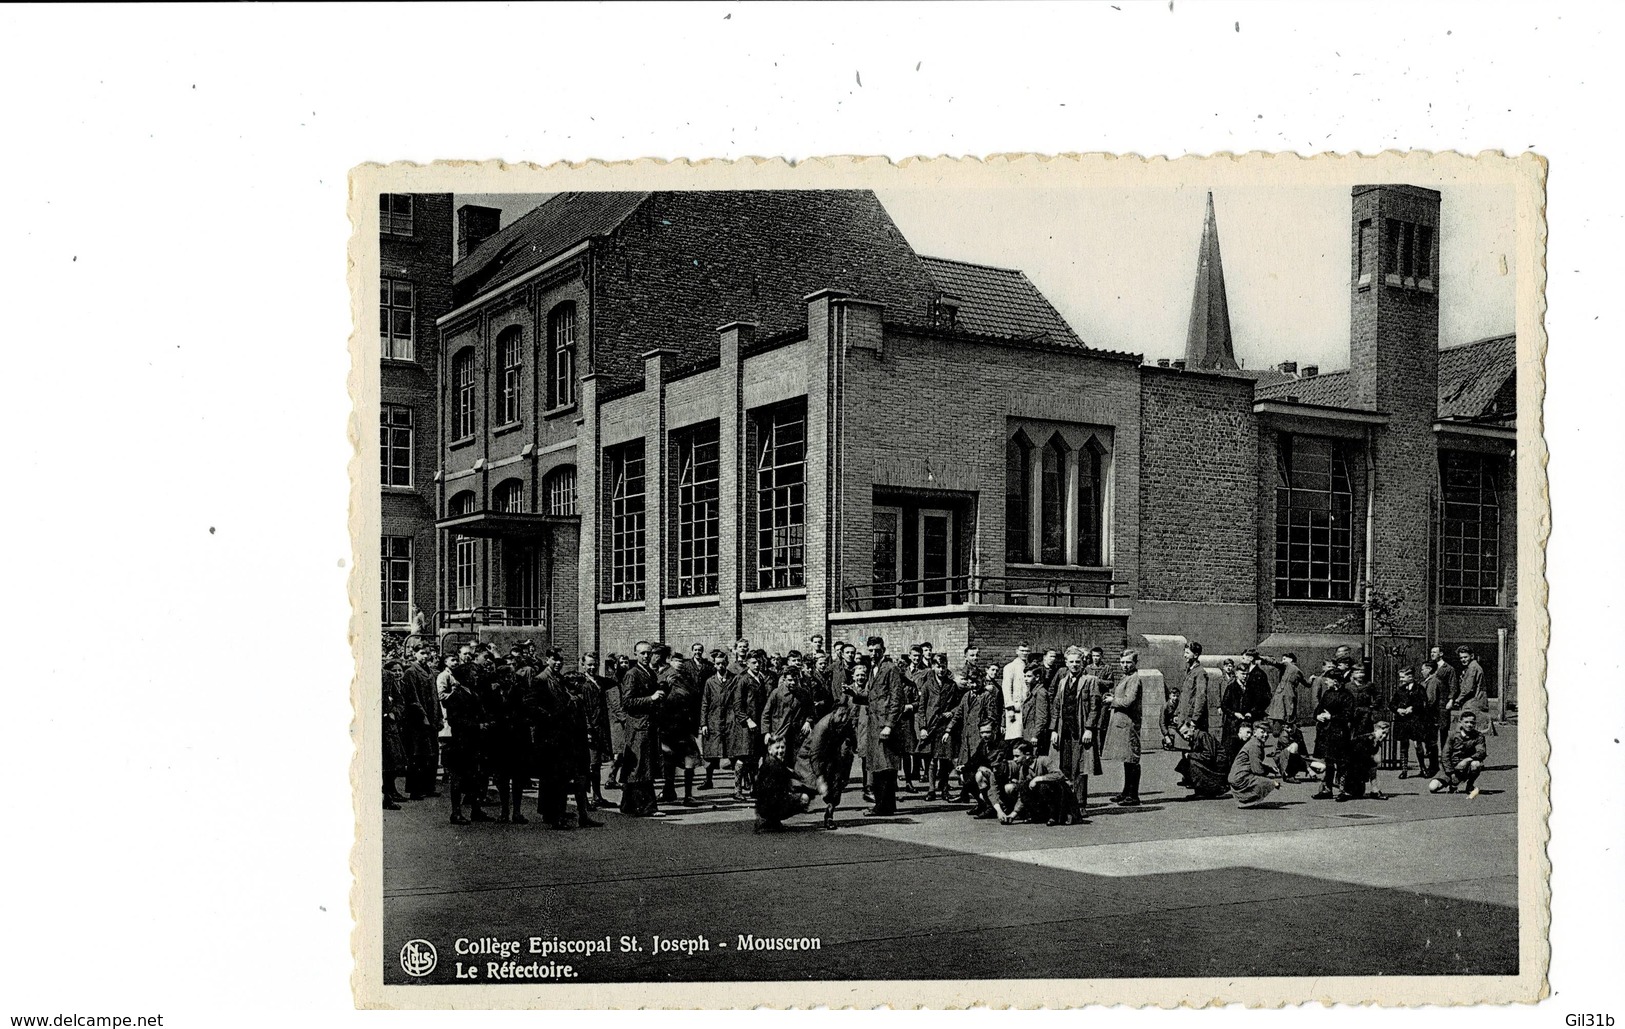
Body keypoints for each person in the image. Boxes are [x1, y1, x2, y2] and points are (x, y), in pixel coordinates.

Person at [856, 636, 907, 816]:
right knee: (877, 766)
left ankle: (883, 807)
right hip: (874, 724)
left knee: (885, 767)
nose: (873, 653)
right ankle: (884, 805)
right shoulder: (874, 668)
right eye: (870, 650)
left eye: (877, 650)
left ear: (883, 650)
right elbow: (871, 696)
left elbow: (897, 699)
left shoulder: (890, 668)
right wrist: (853, 693)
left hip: (884, 725)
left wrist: (889, 725)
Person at [1049, 646, 1101, 814]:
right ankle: (1066, 802)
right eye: (1071, 662)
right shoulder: (1063, 681)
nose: (1074, 665)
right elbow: (1056, 707)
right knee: (1064, 767)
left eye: (1077, 662)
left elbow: (1095, 707)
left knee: (1080, 767)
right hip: (1064, 730)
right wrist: (1054, 730)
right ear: (1066, 663)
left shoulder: (1090, 680)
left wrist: (1089, 729)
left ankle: (1080, 804)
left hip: (1080, 731)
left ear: (1082, 662)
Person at [617, 641, 666, 817]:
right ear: (635, 654)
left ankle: (627, 805)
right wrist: (651, 698)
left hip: (648, 725)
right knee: (641, 766)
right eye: (643, 653)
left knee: (638, 766)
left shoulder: (650, 673)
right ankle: (647, 807)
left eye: (648, 653)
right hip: (638, 726)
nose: (646, 657)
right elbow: (627, 702)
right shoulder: (632, 674)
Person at [440, 657, 490, 825]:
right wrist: (478, 726)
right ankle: (456, 813)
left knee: (475, 777)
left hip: (474, 742)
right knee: (458, 779)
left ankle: (476, 810)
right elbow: (455, 721)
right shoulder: (457, 695)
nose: (477, 677)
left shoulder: (473, 693)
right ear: (465, 676)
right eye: (474, 674)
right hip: (461, 743)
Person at [796, 703, 858, 829]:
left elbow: (851, 736)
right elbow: (815, 754)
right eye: (840, 715)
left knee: (836, 785)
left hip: (830, 755)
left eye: (846, 715)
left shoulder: (846, 722)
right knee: (811, 788)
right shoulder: (822, 726)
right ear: (833, 713)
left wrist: (852, 746)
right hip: (809, 758)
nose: (843, 718)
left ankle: (829, 815)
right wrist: (820, 778)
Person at [952, 667, 1002, 812]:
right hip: (966, 740)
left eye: (976, 682)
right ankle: (980, 803)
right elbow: (959, 713)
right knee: (964, 775)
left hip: (979, 741)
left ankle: (986, 804)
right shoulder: (967, 696)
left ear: (982, 681)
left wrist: (983, 733)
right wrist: (949, 730)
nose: (973, 685)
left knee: (975, 774)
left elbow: (992, 717)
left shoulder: (987, 696)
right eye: (971, 682)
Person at [914, 655, 962, 801]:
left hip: (946, 727)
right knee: (932, 760)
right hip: (931, 726)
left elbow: (959, 705)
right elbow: (921, 709)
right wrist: (922, 727)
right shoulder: (927, 685)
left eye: (943, 666)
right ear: (933, 667)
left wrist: (951, 712)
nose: (941, 669)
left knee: (946, 760)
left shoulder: (952, 685)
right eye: (938, 666)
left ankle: (945, 789)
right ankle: (931, 789)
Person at [1103, 650, 1146, 805]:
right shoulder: (1126, 677)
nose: (1124, 665)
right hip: (1123, 723)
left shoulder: (1134, 679)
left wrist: (1112, 700)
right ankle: (1126, 792)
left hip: (1129, 724)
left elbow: (1128, 702)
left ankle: (1133, 796)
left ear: (1135, 662)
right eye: (1122, 662)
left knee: (1132, 759)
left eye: (1128, 662)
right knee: (1126, 759)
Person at [404, 644, 445, 800]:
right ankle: (415, 789)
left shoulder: (431, 673)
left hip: (432, 718)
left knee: (431, 754)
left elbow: (435, 697)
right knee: (417, 754)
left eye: (428, 653)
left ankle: (429, 787)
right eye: (422, 653)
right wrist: (423, 716)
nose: (426, 656)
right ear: (414, 654)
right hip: (418, 721)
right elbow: (413, 698)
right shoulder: (411, 672)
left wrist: (439, 717)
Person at [727, 651, 769, 799]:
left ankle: (753, 789)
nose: (757, 665)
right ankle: (737, 791)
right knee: (743, 757)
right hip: (745, 726)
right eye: (753, 663)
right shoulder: (743, 680)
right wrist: (747, 720)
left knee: (755, 757)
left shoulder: (761, 679)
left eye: (758, 662)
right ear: (747, 663)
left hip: (758, 724)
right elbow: (737, 706)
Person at [752, 738, 814, 833]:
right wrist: (812, 790)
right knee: (804, 798)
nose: (780, 751)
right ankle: (769, 820)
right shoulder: (773, 765)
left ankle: (772, 821)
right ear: (769, 749)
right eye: (777, 748)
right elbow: (791, 784)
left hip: (764, 803)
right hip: (768, 803)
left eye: (782, 747)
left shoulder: (773, 761)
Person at [1312, 664, 1354, 801]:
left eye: (1328, 679)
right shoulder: (1327, 693)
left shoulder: (1346, 695)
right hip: (1326, 732)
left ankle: (1344, 790)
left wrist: (1332, 717)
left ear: (1335, 681)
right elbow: (1319, 708)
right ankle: (1327, 790)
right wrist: (1317, 716)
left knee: (1342, 763)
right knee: (1328, 761)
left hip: (1340, 733)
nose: (1325, 681)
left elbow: (1348, 714)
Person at [1430, 710, 1488, 797]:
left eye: (1472, 722)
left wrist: (1467, 760)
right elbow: (1445, 755)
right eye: (1466, 722)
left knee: (1476, 764)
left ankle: (1469, 785)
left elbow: (1482, 752)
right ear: (1460, 722)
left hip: (1466, 767)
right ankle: (1452, 784)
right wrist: (1451, 773)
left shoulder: (1478, 736)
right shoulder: (1452, 735)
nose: (1469, 725)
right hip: (1451, 768)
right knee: (1432, 787)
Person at [698, 649, 733, 792]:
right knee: (710, 752)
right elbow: (704, 703)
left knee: (733, 751)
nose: (720, 666)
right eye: (717, 664)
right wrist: (703, 723)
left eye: (723, 663)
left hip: (730, 720)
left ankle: (741, 782)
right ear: (714, 665)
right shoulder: (710, 682)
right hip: (713, 720)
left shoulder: (734, 679)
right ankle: (708, 780)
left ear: (727, 663)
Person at [1228, 719, 1282, 807]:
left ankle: (1245, 802)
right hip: (1240, 778)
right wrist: (1270, 781)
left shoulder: (1255, 742)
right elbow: (1257, 769)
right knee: (1267, 782)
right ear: (1255, 733)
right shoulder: (1255, 745)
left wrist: (1270, 769)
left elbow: (1255, 763)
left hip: (1236, 776)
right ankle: (1245, 802)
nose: (1265, 735)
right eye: (1262, 732)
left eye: (1267, 732)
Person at [762, 668, 813, 759]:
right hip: (779, 733)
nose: (793, 683)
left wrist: (808, 721)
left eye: (795, 680)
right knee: (777, 760)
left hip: (797, 735)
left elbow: (811, 711)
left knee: (795, 761)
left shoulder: (804, 693)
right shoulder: (776, 693)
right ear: (784, 679)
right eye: (790, 680)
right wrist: (766, 732)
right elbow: (766, 714)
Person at [1391, 665, 1429, 778]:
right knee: (1403, 745)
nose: (1401, 680)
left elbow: (1423, 703)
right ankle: (1404, 770)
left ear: (1411, 677)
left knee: (1418, 745)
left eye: (1403, 677)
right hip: (1402, 722)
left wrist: (1412, 708)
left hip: (1415, 721)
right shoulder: (1400, 690)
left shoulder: (1419, 689)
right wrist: (1398, 709)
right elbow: (1391, 704)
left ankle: (1423, 768)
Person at [1175, 719, 1229, 799]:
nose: (1185, 736)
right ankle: (1200, 789)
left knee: (1192, 763)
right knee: (1184, 763)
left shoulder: (1203, 735)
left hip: (1218, 767)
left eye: (1186, 732)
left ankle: (1209, 789)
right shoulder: (1195, 737)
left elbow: (1209, 756)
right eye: (1183, 735)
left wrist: (1190, 755)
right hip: (1212, 764)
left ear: (1192, 728)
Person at [382, 661, 409, 808]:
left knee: (390, 764)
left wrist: (394, 713)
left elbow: (399, 702)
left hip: (388, 727)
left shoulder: (387, 676)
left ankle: (388, 797)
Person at [1000, 642, 1032, 755]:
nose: (1024, 653)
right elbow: (1007, 689)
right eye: (1022, 651)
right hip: (1016, 709)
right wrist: (1010, 709)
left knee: (1025, 739)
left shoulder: (1030, 666)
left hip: (1027, 708)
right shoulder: (1010, 667)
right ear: (1017, 651)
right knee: (1015, 738)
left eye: (1027, 651)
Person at [1453, 645, 1491, 733]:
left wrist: (1458, 699)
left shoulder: (1473, 667)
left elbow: (1468, 688)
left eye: (1465, 657)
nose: (1463, 660)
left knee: (1467, 732)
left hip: (1473, 703)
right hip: (1474, 702)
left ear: (1472, 656)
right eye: (1461, 658)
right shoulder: (1471, 667)